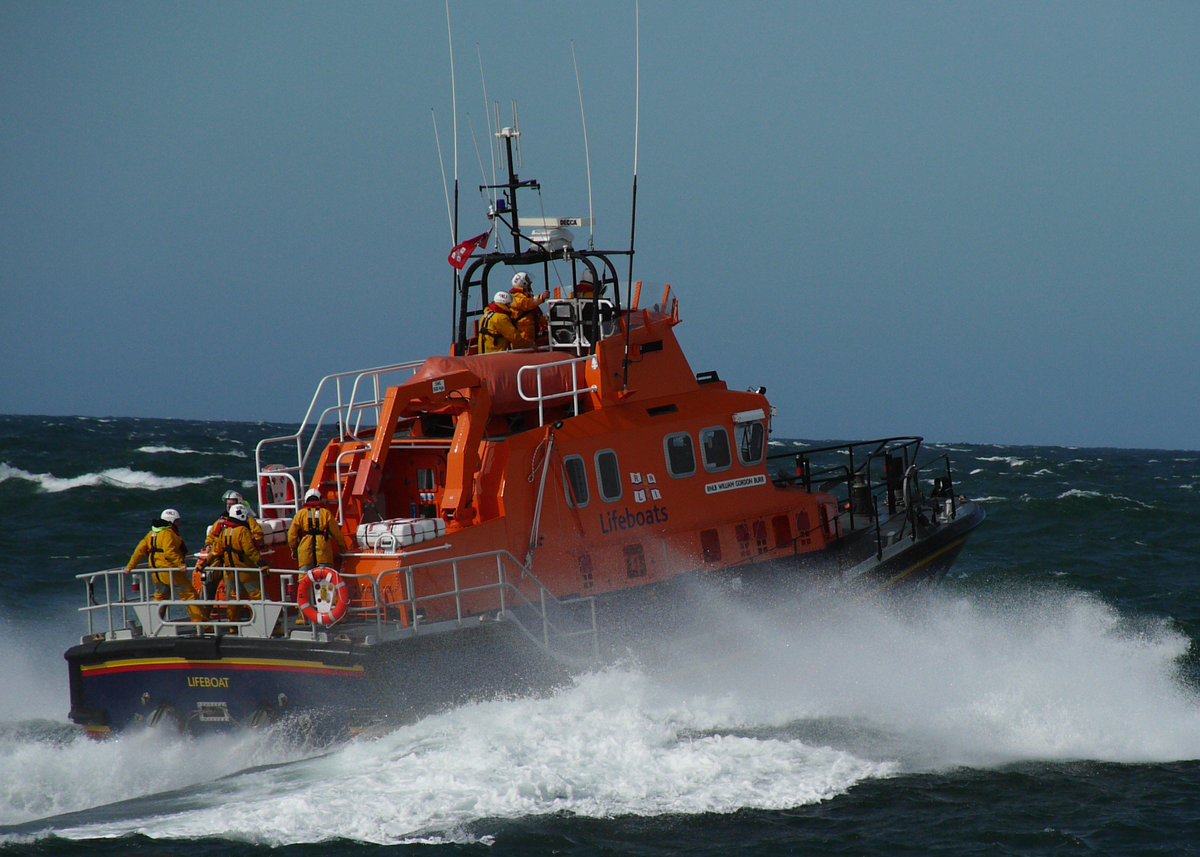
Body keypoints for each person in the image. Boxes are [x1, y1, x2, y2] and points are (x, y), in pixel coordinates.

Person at [126, 508, 204, 622]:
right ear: (171, 521)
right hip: (170, 571)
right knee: (189, 595)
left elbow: (139, 551)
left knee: (160, 597)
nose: (179, 523)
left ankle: (154, 624)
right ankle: (201, 625)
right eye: (177, 521)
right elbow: (169, 551)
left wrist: (130, 566)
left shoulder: (152, 533)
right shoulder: (168, 533)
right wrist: (181, 564)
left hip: (156, 573)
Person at [195, 502, 266, 624]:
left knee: (232, 598)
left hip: (229, 571)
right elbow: (250, 550)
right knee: (257, 595)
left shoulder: (225, 531)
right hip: (245, 569)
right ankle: (266, 623)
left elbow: (215, 551)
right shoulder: (243, 531)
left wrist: (204, 563)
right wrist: (262, 564)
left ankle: (233, 625)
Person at [288, 489, 350, 572]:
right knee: (326, 579)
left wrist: (294, 550)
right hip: (324, 553)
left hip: (305, 553)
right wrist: (343, 549)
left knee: (305, 580)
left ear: (306, 499)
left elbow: (292, 536)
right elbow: (337, 534)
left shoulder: (300, 514)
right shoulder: (326, 513)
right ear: (319, 499)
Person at [509, 272, 547, 345]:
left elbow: (536, 313)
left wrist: (546, 322)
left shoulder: (525, 296)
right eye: (527, 279)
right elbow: (527, 304)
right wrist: (541, 297)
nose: (529, 281)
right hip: (523, 333)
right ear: (522, 282)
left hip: (530, 333)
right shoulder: (515, 297)